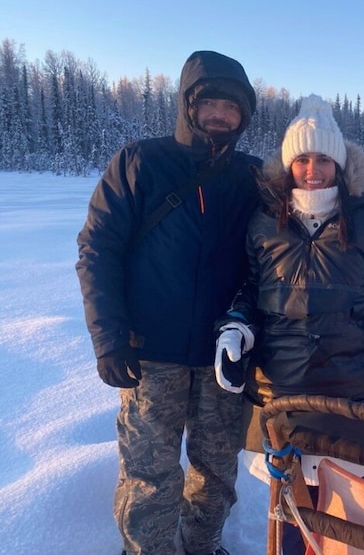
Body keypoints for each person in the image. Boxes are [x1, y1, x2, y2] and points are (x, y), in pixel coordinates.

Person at [212, 94, 364, 554]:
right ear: (287, 164)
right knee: (292, 517)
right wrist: (236, 328)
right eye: (301, 159)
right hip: (282, 401)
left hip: (353, 401)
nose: (312, 169)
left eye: (321, 159)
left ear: (339, 164)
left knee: (346, 522)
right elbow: (251, 291)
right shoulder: (264, 223)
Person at [75, 50, 261, 555]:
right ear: (188, 106)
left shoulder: (254, 177)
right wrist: (109, 337)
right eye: (210, 103)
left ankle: (202, 546)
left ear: (244, 115)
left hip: (224, 358)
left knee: (216, 471)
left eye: (233, 106)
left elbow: (303, 217)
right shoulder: (139, 162)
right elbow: (97, 250)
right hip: (148, 352)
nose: (221, 114)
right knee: (148, 475)